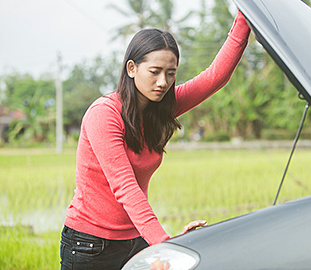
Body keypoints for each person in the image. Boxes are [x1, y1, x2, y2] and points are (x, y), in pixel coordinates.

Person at [60, 11, 250, 270]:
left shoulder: (161, 109)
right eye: (155, 72)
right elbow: (125, 187)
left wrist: (247, 16)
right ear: (131, 68)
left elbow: (216, 76)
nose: (163, 82)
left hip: (136, 238)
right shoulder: (104, 114)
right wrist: (163, 244)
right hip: (90, 244)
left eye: (170, 73)